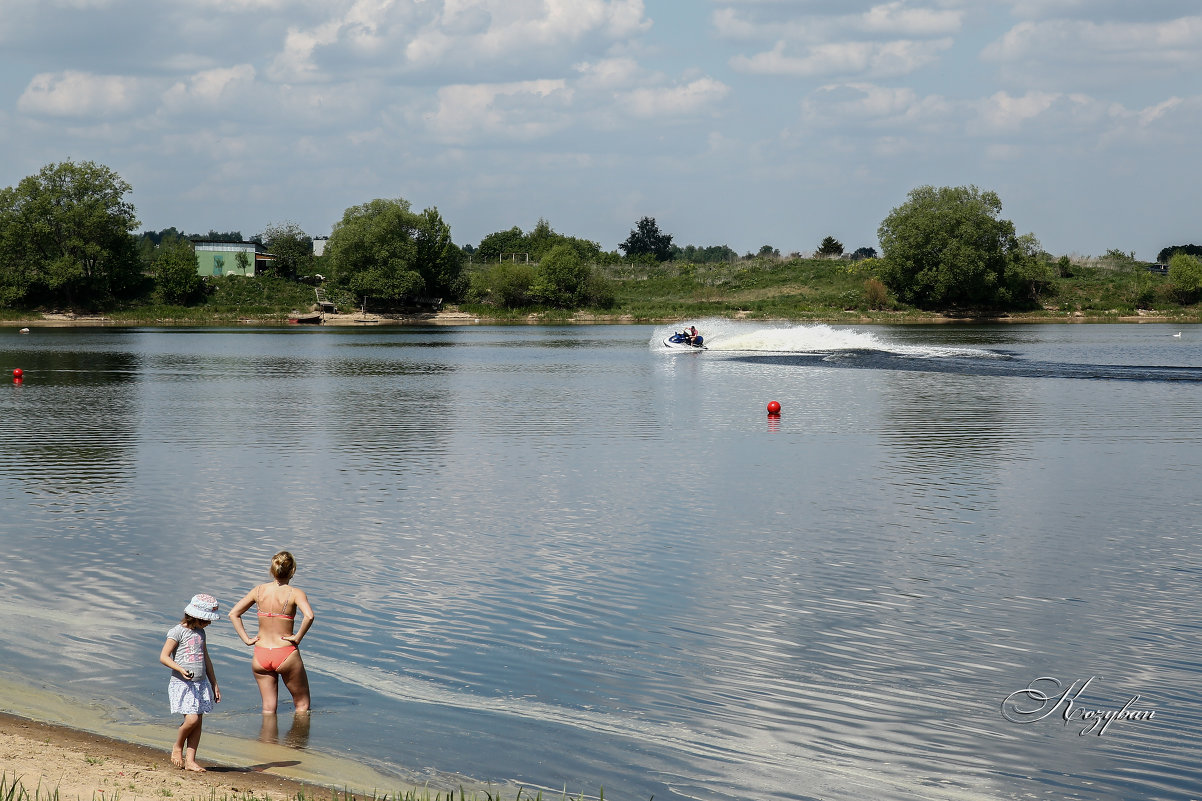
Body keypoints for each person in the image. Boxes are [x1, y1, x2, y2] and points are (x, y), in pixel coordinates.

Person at [229, 550, 315, 714]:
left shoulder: (258, 590)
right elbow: (309, 616)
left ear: (272, 570)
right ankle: (296, 740)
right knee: (302, 706)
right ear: (293, 571)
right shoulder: (296, 593)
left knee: (268, 709)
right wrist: (297, 637)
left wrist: (246, 639)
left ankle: (266, 740)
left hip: (261, 653)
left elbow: (233, 614)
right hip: (285, 653)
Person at [159, 594, 221, 771]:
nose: (208, 623)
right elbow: (164, 657)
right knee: (192, 719)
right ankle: (177, 746)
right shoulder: (177, 631)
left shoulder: (201, 633)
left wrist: (214, 683)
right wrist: (179, 669)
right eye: (205, 620)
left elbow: (206, 659)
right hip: (183, 684)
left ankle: (191, 760)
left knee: (198, 722)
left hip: (200, 684)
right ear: (195, 616)